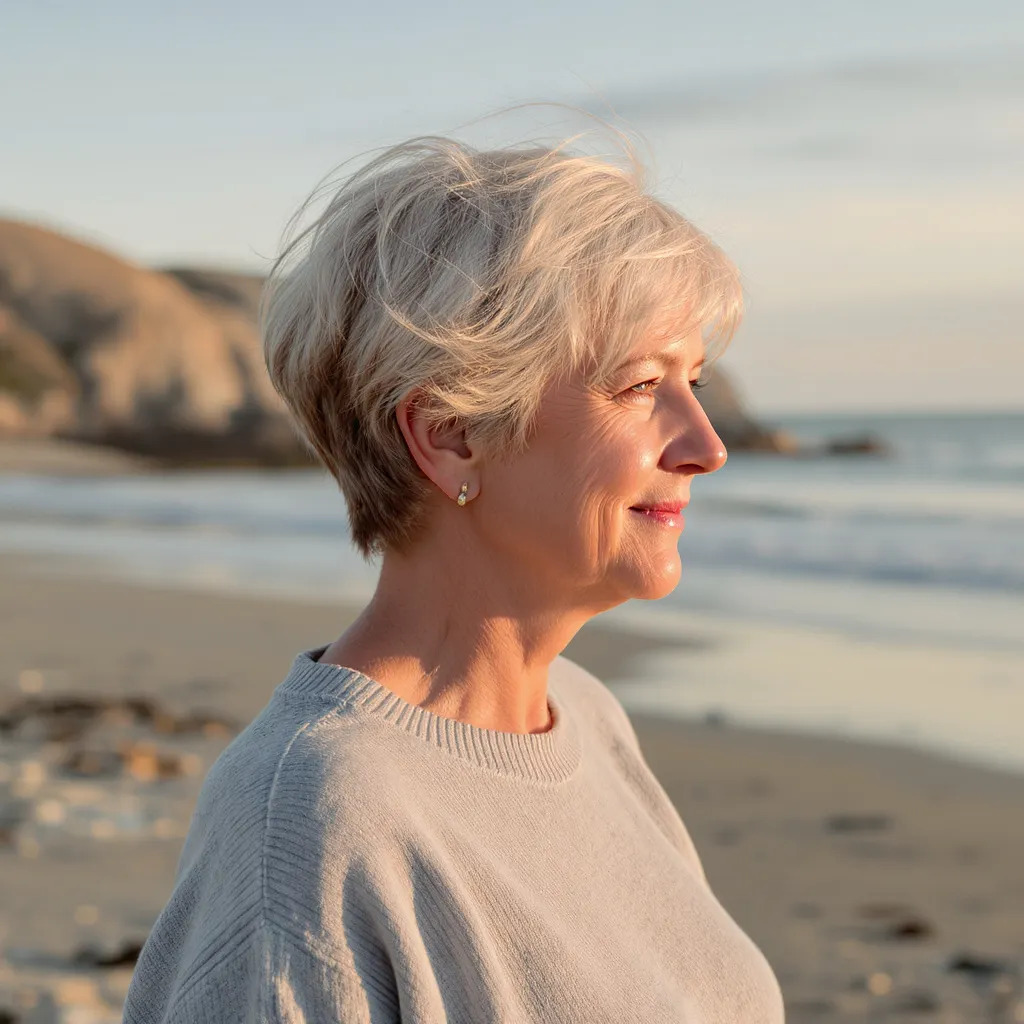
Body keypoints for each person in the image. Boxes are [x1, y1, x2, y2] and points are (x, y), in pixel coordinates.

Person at [123, 133, 785, 1023]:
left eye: (694, 379)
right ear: (449, 433)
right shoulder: (314, 823)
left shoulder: (585, 718)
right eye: (638, 385)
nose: (707, 445)